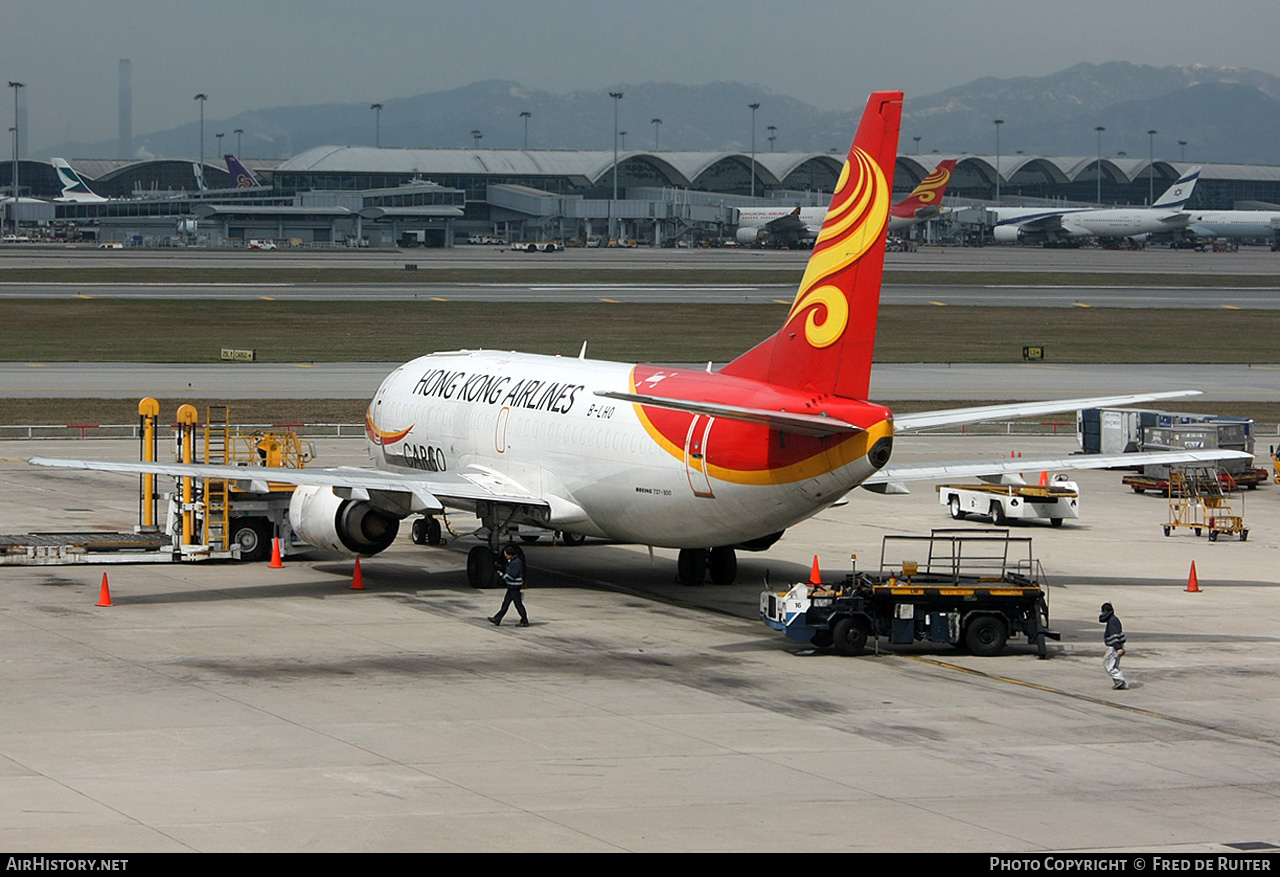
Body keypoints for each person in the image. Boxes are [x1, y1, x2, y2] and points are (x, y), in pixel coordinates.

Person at [488, 546, 529, 627]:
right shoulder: (512, 561)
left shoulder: (517, 562)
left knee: (518, 604)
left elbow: (512, 574)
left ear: (510, 554)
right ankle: (497, 618)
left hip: (515, 586)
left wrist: (503, 577)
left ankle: (524, 620)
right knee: (505, 603)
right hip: (511, 585)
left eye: (506, 554)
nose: (505, 556)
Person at [1099, 602, 1127, 689]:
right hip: (1117, 646)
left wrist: (1118, 648)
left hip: (1114, 647)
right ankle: (1118, 682)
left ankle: (1120, 680)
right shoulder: (1114, 619)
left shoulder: (1112, 621)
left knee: (1107, 663)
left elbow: (1114, 635)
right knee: (1114, 665)